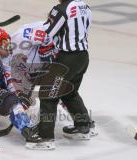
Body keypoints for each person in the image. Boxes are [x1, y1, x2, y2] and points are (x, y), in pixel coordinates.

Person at [37, 0, 96, 147]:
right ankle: (83, 126)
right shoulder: (85, 6)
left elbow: (48, 34)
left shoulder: (60, 9)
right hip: (83, 57)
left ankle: (45, 137)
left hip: (67, 58)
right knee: (69, 92)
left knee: (48, 94)